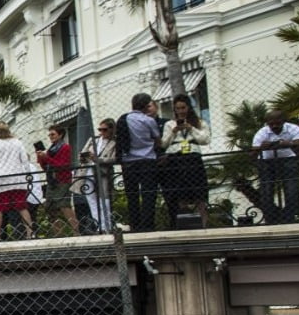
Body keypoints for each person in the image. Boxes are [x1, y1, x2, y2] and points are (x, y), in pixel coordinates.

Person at [158, 93, 211, 227]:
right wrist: (174, 132)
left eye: (183, 108)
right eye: (178, 108)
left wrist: (191, 128)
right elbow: (164, 144)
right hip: (176, 159)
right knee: (180, 193)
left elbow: (205, 140)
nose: (181, 111)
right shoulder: (169, 124)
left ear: (188, 108)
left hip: (193, 158)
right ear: (174, 110)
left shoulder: (199, 122)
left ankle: (205, 224)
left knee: (199, 193)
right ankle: (183, 223)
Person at [119, 93, 162, 232]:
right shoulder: (148, 121)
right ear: (145, 106)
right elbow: (157, 140)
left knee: (132, 195)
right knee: (148, 194)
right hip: (147, 160)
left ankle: (134, 224)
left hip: (129, 162)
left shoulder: (124, 119)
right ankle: (148, 225)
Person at [252, 109, 299, 225]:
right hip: (267, 161)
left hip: (288, 159)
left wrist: (288, 144)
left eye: (277, 123)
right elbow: (252, 155)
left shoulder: (293, 128)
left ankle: (289, 219)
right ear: (267, 123)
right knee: (266, 192)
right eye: (271, 124)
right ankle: (271, 220)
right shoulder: (262, 132)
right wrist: (260, 147)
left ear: (283, 121)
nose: (274, 126)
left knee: (291, 190)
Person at [0, 122, 34, 240]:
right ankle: (30, 232)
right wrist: (28, 174)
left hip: (0, 180)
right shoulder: (17, 142)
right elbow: (24, 160)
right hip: (17, 178)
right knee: (22, 206)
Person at [35, 125, 79, 237]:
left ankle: (76, 231)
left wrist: (47, 158)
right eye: (49, 135)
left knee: (64, 205)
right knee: (50, 207)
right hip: (52, 180)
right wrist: (41, 158)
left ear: (60, 134)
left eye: (53, 134)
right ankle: (58, 233)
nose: (51, 136)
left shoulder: (65, 147)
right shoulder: (51, 149)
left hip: (62, 179)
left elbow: (62, 165)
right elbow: (46, 166)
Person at [79, 119, 117, 233]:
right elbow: (82, 153)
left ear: (111, 130)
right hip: (89, 170)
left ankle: (107, 226)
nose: (101, 132)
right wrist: (84, 157)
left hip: (103, 172)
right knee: (91, 199)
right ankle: (99, 225)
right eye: (99, 129)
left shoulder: (114, 142)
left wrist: (98, 159)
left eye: (104, 130)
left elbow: (114, 158)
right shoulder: (93, 140)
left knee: (104, 199)